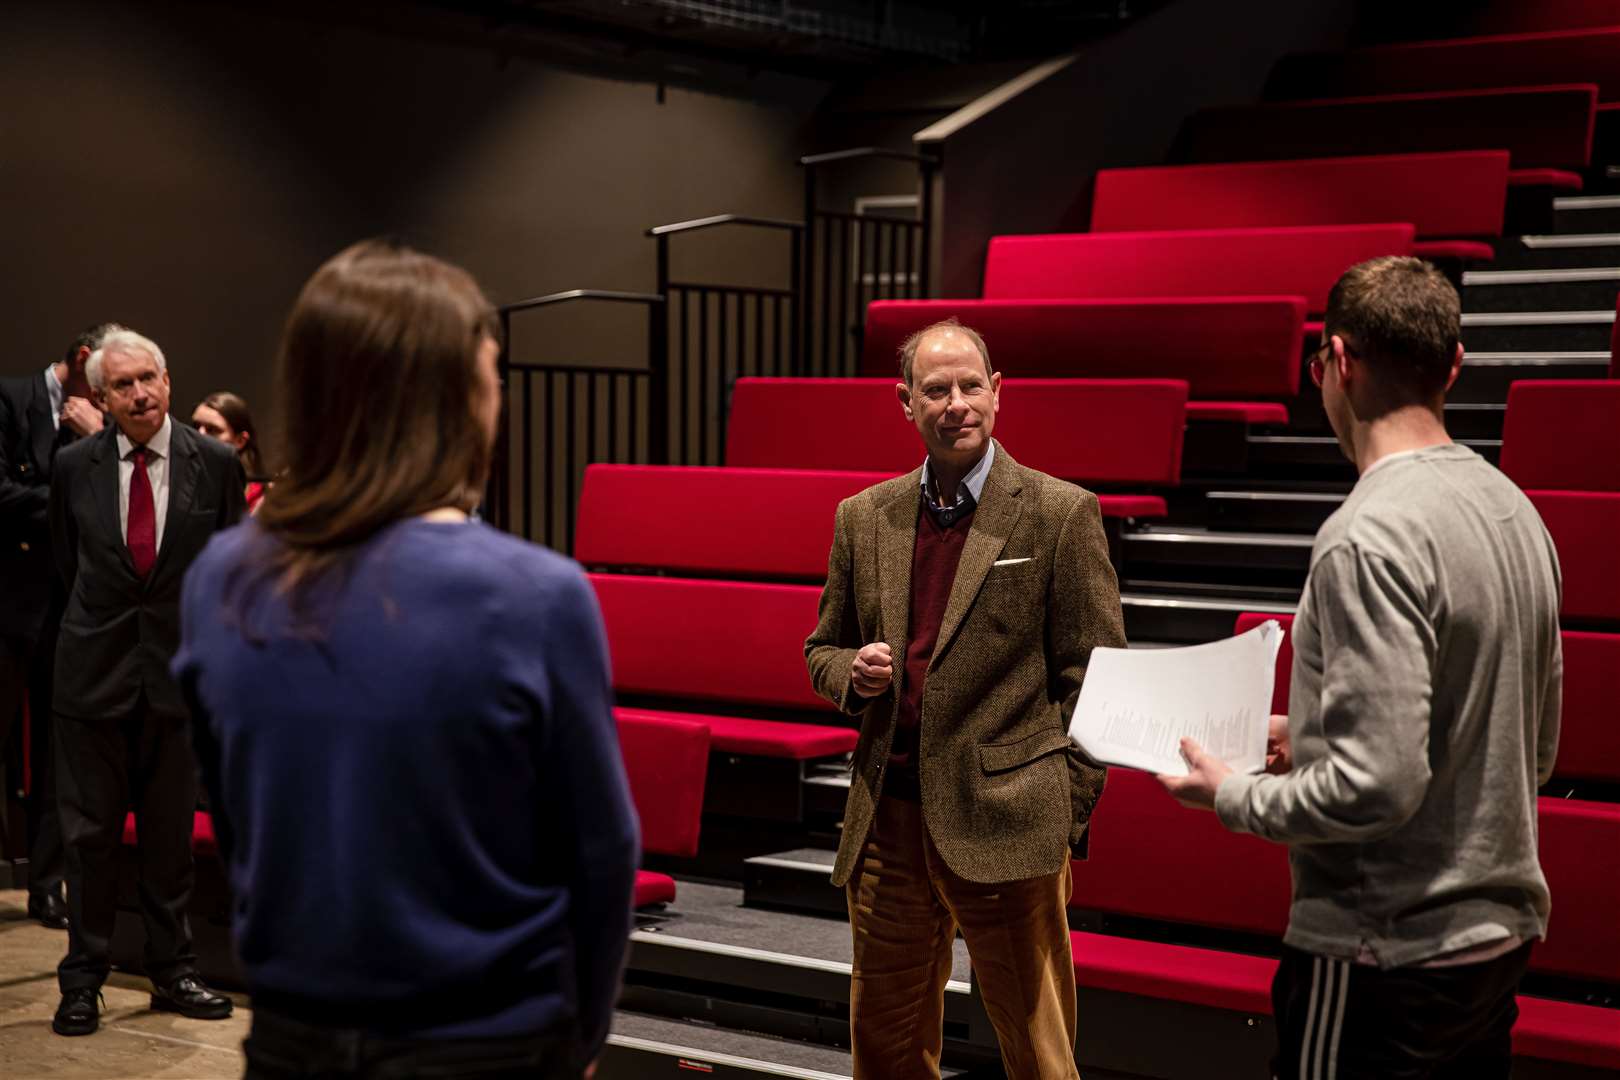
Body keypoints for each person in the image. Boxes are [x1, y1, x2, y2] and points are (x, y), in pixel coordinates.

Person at [174, 239, 638, 1080]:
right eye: (493, 373)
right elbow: (601, 854)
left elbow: (235, 821)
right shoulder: (536, 595)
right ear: (455, 398)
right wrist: (583, 1038)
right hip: (490, 1039)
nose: (500, 395)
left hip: (290, 1033)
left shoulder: (221, 579)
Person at [1160, 256, 1563, 1080]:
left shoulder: (1366, 534)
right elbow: (1532, 746)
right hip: (1492, 946)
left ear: (1338, 362)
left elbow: (1377, 784)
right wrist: (1310, 736)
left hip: (1384, 953)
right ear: (1453, 365)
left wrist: (1230, 796)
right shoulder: (1516, 511)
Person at [806, 318, 1126, 1079]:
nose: (956, 403)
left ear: (998, 393)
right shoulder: (864, 515)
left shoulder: (1058, 513)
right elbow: (821, 648)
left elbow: (1099, 679)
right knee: (884, 1053)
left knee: (1039, 1055)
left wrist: (1062, 807)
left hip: (1011, 825)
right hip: (889, 822)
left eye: (970, 385)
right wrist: (852, 672)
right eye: (936, 389)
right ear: (905, 403)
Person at [47, 327, 247, 1035]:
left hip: (177, 678)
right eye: (123, 386)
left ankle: (173, 971)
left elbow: (229, 569)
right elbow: (69, 564)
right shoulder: (73, 464)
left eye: (148, 380)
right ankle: (83, 980)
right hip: (90, 678)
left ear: (168, 379)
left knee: (167, 841)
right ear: (101, 396)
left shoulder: (216, 463)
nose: (139, 395)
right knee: (90, 839)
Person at [0, 323, 120, 931]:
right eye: (102, 384)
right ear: (79, 361)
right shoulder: (9, 399)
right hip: (5, 603)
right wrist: (71, 486)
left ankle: (47, 884)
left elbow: (117, 504)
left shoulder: (98, 426)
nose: (109, 397)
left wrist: (90, 448)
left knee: (55, 753)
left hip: (66, 605)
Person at [191, 391, 267, 513]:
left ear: (240, 441)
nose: (198, 436)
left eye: (212, 430)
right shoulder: (180, 488)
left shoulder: (262, 500)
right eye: (195, 427)